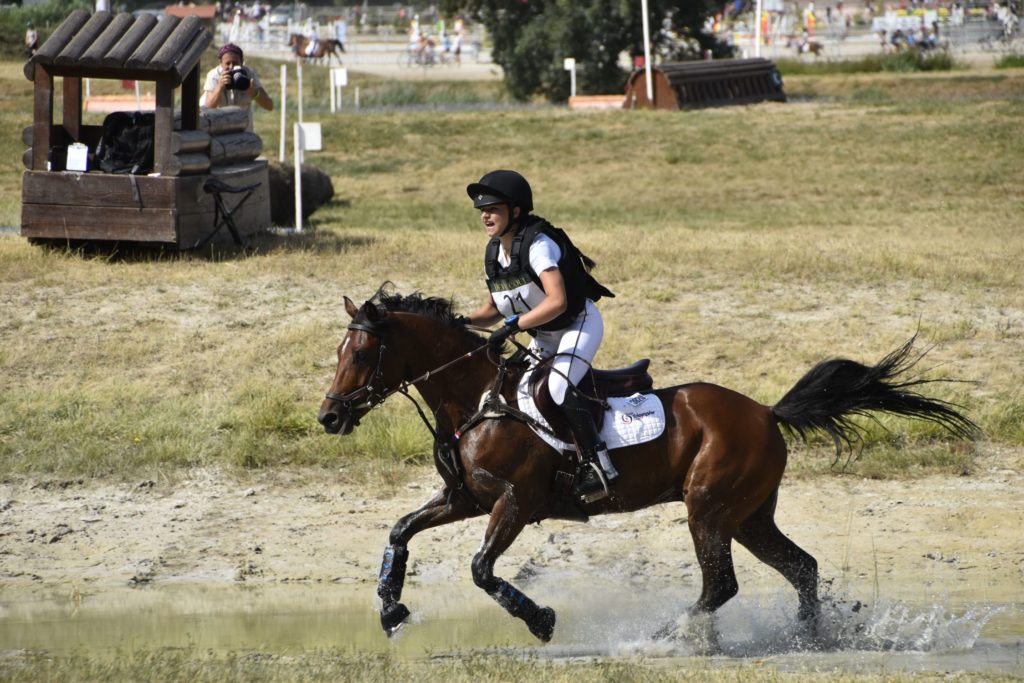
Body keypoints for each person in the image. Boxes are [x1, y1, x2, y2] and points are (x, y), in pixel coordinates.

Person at [463, 170, 619, 502]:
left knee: (559, 388)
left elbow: (558, 301)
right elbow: (493, 309)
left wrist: (515, 325)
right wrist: (459, 322)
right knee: (509, 384)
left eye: (493, 209)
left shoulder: (539, 245)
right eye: (482, 210)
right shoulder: (495, 253)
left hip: (578, 325)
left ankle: (598, 464)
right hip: (545, 334)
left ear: (515, 211)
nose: (485, 216)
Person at [201, 44, 272, 130]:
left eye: (235, 63)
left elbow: (269, 106)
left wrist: (254, 94)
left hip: (243, 130)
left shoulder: (249, 74)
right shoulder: (214, 76)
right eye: (227, 63)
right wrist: (219, 87)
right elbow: (207, 109)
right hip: (219, 129)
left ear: (242, 62)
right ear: (220, 63)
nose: (231, 67)